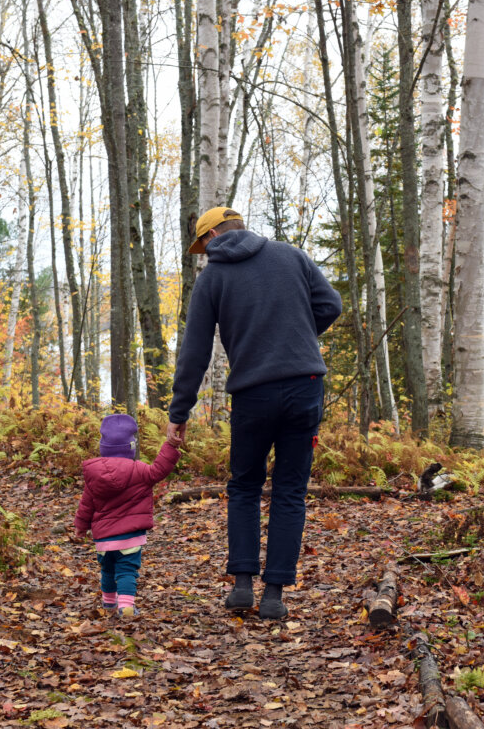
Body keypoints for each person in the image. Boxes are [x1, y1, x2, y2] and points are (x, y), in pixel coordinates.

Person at [167, 207, 342, 620]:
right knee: (290, 490)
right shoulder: (291, 255)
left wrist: (180, 411)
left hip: (253, 393)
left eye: (202, 246)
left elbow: (195, 352)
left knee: (245, 487)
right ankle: (275, 595)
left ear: (211, 238)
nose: (204, 254)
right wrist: (295, 337)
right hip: (306, 387)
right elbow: (331, 305)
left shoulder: (213, 277)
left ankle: (243, 586)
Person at [75, 414, 181, 617]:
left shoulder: (94, 475)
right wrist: (170, 445)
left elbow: (86, 503)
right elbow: (160, 469)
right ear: (131, 447)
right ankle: (125, 607)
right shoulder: (139, 470)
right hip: (130, 537)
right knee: (126, 571)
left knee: (107, 570)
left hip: (103, 538)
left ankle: (108, 604)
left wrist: (81, 525)